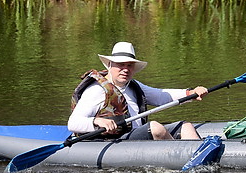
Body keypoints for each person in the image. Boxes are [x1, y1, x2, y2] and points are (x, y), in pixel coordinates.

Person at [68, 42, 208, 140]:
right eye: (121, 65)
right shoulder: (97, 90)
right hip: (114, 141)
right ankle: (180, 158)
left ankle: (200, 158)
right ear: (110, 65)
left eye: (129, 65)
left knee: (186, 126)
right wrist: (97, 121)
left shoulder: (133, 86)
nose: (126, 69)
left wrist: (190, 93)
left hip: (135, 136)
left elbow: (160, 95)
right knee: (155, 127)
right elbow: (73, 123)